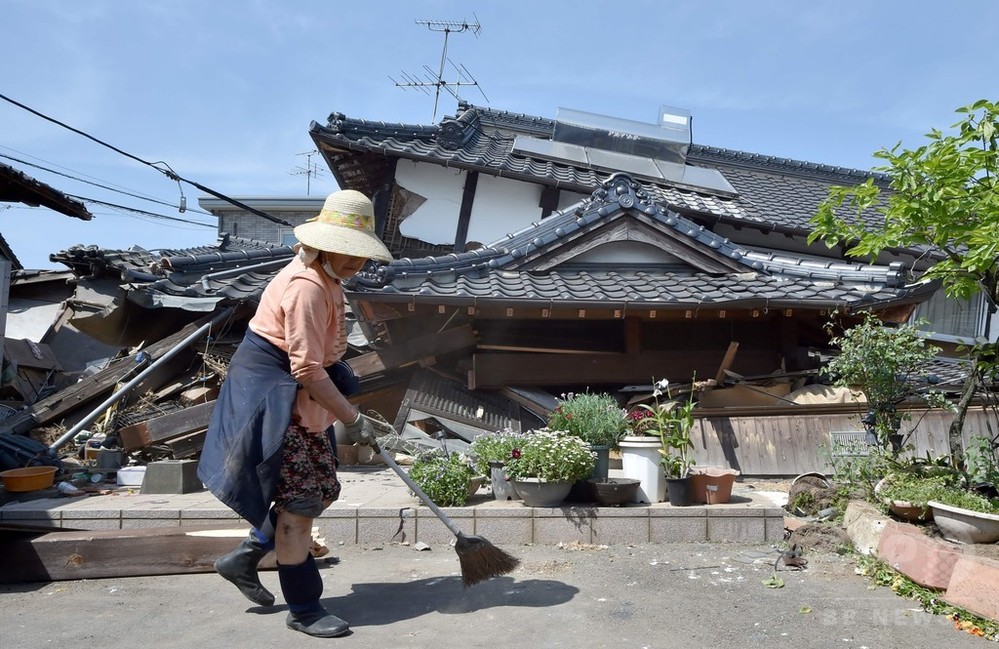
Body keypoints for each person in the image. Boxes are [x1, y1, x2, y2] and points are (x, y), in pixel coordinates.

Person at [198, 189, 395, 638]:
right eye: (346, 252)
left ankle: (245, 557)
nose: (354, 262)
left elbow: (320, 356)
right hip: (274, 394)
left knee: (319, 489)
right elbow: (305, 367)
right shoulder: (306, 287)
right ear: (324, 244)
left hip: (297, 391)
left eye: (360, 254)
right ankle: (304, 608)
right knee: (301, 505)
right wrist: (351, 417)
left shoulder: (329, 279)